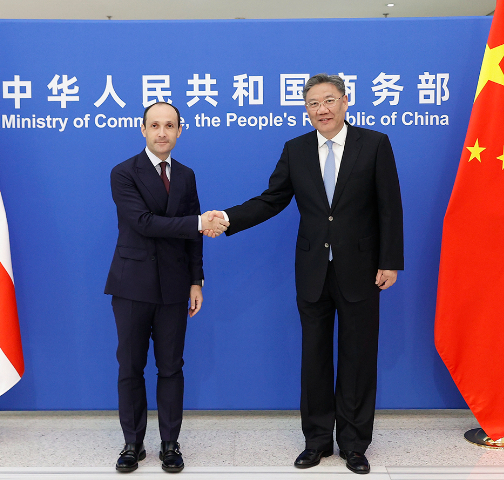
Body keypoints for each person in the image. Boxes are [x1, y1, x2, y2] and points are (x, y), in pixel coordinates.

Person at [205, 74, 403, 475]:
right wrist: (228, 218)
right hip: (312, 270)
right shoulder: (295, 149)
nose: (322, 110)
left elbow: (390, 206)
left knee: (358, 357)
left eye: (329, 100)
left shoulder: (375, 144)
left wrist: (390, 261)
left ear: (345, 102)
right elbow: (272, 199)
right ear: (306, 109)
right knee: (314, 357)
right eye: (313, 103)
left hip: (362, 270)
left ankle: (354, 443)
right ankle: (316, 441)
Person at [105, 101, 229, 474]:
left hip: (176, 286)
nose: (162, 132)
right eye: (155, 125)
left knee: (172, 367)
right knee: (130, 366)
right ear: (142, 130)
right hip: (132, 284)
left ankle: (170, 444)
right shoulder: (123, 172)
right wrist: (197, 222)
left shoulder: (187, 175)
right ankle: (132, 444)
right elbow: (144, 222)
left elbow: (195, 238)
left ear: (180, 130)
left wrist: (196, 279)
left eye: (169, 125)